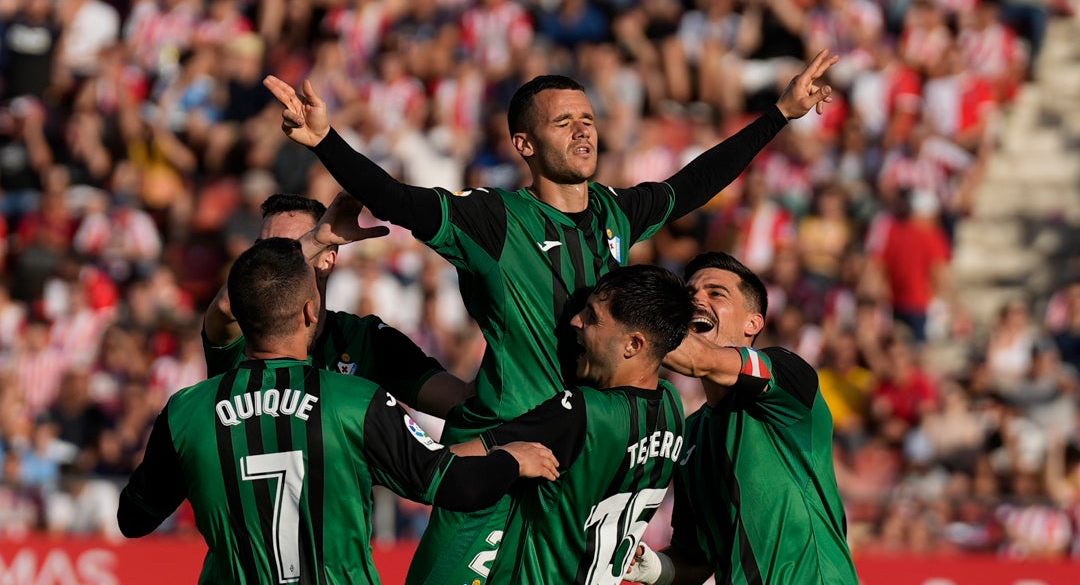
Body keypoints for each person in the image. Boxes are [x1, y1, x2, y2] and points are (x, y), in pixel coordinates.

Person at [265, 49, 838, 584]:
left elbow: (695, 182)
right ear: (525, 144)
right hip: (500, 457)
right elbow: (398, 199)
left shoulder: (617, 212)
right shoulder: (493, 220)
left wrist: (781, 114)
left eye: (587, 118)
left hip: (578, 467)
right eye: (563, 122)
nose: (583, 129)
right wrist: (326, 143)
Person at [117, 237, 559, 584]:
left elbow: (134, 519)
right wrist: (510, 459)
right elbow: (450, 484)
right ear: (311, 312)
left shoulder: (186, 411)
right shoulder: (356, 401)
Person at [625, 251, 859, 585]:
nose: (697, 301)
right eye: (690, 295)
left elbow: (701, 360)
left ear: (753, 322)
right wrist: (650, 566)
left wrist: (624, 319)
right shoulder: (690, 434)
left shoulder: (786, 375)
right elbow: (695, 559)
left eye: (715, 293)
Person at [453, 264, 693, 584]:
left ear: (633, 345)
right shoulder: (672, 405)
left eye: (593, 317)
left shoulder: (583, 412)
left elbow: (450, 463)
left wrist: (507, 460)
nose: (575, 321)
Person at [203, 191, 470, 417]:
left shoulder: (364, 340)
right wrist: (314, 241)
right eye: (261, 249)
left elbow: (461, 403)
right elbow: (228, 305)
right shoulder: (240, 336)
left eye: (287, 247)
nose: (266, 260)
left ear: (327, 260)